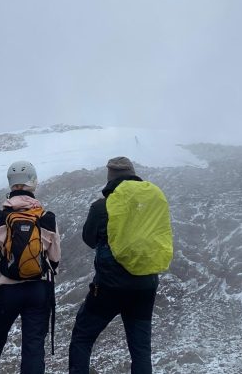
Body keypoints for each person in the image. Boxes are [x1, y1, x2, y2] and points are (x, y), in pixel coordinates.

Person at [68, 157, 169, 374]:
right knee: (141, 349)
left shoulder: (102, 207)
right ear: (133, 174)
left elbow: (89, 239)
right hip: (146, 285)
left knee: (82, 337)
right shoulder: (154, 202)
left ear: (110, 178)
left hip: (110, 287)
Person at [0, 161, 61, 374]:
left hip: (6, 290)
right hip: (38, 291)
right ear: (33, 183)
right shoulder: (46, 217)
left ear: (11, 184)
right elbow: (55, 258)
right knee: (33, 347)